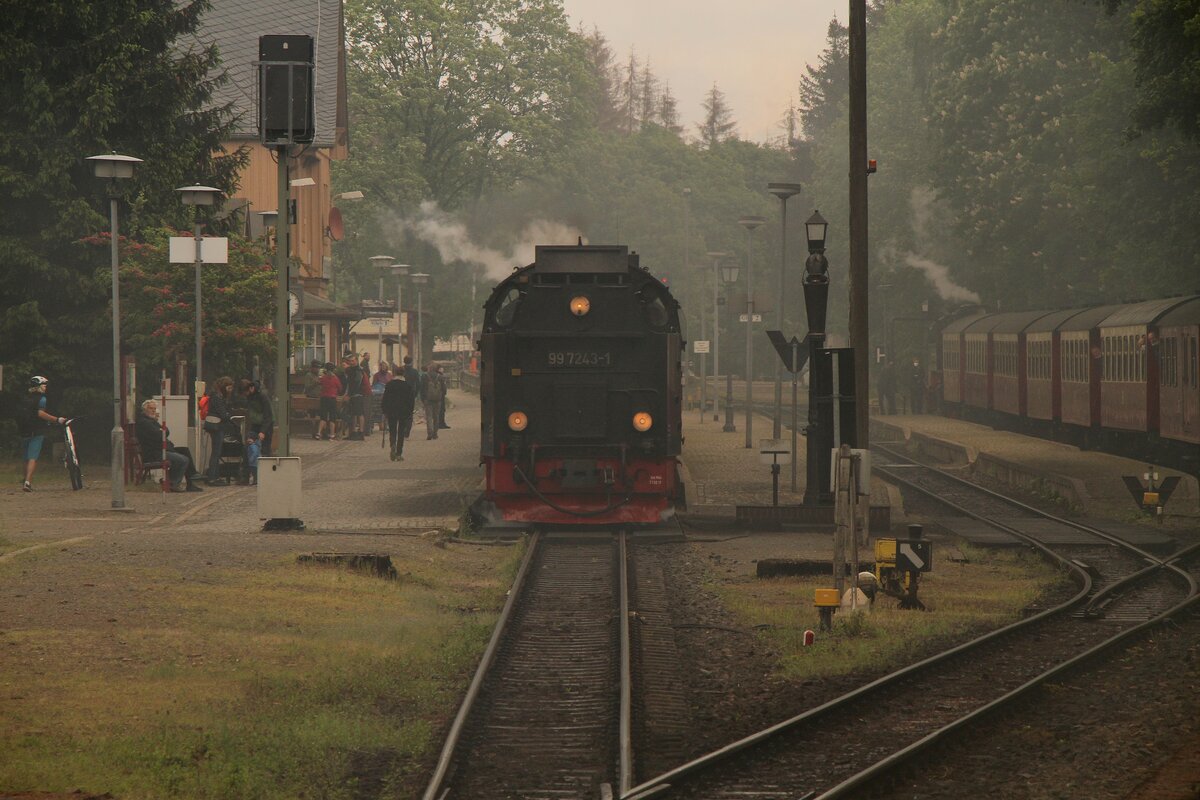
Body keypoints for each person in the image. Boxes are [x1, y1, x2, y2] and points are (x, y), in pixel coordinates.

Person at [135, 399, 202, 492]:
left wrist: (162, 431)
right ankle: (172, 483)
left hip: (162, 449)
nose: (153, 410)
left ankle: (190, 481)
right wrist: (162, 431)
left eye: (154, 408)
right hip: (155, 452)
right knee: (183, 459)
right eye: (151, 408)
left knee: (184, 450)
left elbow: (165, 430)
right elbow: (159, 434)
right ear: (145, 409)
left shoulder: (152, 421)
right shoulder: (144, 422)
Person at [17, 376, 67, 492]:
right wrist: (57, 419)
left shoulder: (25, 398)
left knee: (25, 457)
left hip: (24, 430)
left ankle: (24, 479)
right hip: (37, 430)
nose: (45, 387)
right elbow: (41, 414)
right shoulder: (42, 399)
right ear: (39, 386)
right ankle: (27, 482)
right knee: (33, 457)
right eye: (44, 385)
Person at [203, 376, 236, 485]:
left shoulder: (215, 396)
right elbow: (223, 414)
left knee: (216, 452)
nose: (230, 390)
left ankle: (214, 476)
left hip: (214, 425)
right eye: (229, 388)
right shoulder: (218, 397)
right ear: (224, 387)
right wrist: (228, 414)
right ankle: (213, 477)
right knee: (216, 452)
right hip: (217, 426)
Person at [380, 365, 416, 461]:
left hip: (391, 410)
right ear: (404, 374)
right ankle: (399, 453)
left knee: (392, 430)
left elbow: (385, 398)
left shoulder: (389, 384)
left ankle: (393, 444)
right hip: (403, 411)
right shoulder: (407, 385)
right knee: (401, 431)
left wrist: (384, 409)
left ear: (395, 373)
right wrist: (410, 411)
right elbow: (411, 400)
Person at [240, 379, 274, 456]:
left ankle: (265, 459)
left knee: (265, 448)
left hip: (266, 425)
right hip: (255, 424)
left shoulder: (262, 396)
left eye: (245, 392)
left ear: (250, 389)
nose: (245, 395)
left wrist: (263, 431)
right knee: (250, 444)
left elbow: (268, 415)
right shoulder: (250, 396)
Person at [342, 354, 366, 440]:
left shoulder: (359, 370)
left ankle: (361, 433)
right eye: (350, 361)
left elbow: (357, 383)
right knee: (353, 414)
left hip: (358, 394)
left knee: (359, 413)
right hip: (352, 395)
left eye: (353, 361)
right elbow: (349, 383)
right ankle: (353, 432)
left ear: (356, 361)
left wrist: (349, 394)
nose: (351, 362)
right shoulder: (350, 370)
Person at [316, 361, 342, 440]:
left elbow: (319, 383)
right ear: (333, 369)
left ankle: (319, 433)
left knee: (323, 417)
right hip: (332, 399)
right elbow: (340, 388)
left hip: (324, 398)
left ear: (326, 369)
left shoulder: (323, 378)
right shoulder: (335, 378)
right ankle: (332, 435)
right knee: (332, 417)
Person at [421, 362, 444, 440]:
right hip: (437, 399)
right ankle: (435, 433)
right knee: (436, 416)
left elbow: (422, 388)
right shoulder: (440, 377)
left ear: (429, 368)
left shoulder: (425, 376)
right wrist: (441, 396)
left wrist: (423, 398)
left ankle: (429, 433)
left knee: (429, 416)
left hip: (428, 399)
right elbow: (444, 389)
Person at [436, 364, 451, 429]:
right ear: (439, 369)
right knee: (442, 409)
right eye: (442, 368)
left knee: (438, 410)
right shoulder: (440, 376)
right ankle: (441, 423)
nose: (443, 369)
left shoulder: (435, 375)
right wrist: (444, 392)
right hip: (441, 395)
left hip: (435, 395)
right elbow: (443, 387)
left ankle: (438, 423)